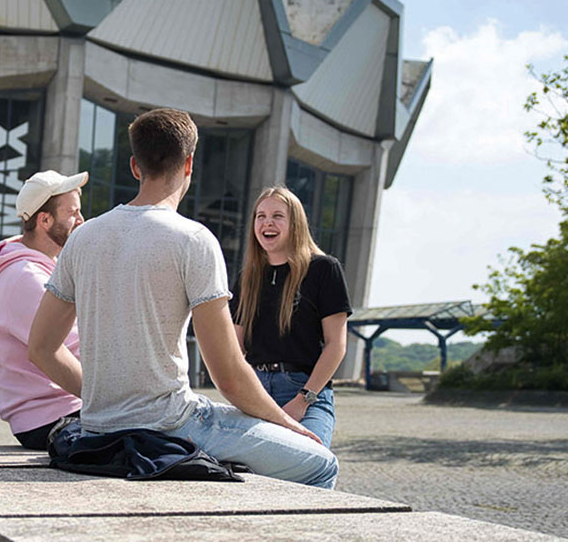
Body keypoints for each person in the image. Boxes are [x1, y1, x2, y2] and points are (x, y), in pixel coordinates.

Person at [27, 108, 337, 488]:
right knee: (321, 463)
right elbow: (229, 375)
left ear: (134, 167)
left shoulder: (83, 237)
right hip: (174, 423)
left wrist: (105, 400)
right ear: (189, 164)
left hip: (97, 428)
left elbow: (41, 348)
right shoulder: (193, 240)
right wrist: (287, 423)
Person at [232, 186, 352, 448]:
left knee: (312, 460)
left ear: (295, 223)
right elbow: (234, 347)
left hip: (306, 389)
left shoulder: (323, 269)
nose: (267, 222)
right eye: (260, 216)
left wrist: (302, 400)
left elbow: (336, 345)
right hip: (256, 389)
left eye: (277, 216)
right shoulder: (247, 279)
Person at [0, 170, 87, 450]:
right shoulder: (27, 278)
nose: (81, 221)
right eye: (72, 213)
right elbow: (74, 349)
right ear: (45, 220)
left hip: (53, 413)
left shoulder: (33, 269)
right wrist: (115, 401)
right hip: (54, 417)